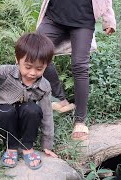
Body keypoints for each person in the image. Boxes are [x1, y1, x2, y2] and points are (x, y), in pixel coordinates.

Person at [0, 33, 58, 169]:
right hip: (2, 118)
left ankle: (27, 147)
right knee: (5, 111)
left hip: (24, 122)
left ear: (46, 65)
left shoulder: (44, 86)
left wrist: (47, 144)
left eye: (39, 69)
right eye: (28, 67)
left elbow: (47, 115)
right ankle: (11, 147)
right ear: (17, 60)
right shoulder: (5, 72)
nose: (32, 73)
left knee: (33, 109)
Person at [36, 0, 116, 140]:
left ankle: (80, 121)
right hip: (54, 18)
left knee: (80, 66)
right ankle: (61, 100)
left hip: (83, 22)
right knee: (36, 52)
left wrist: (109, 20)